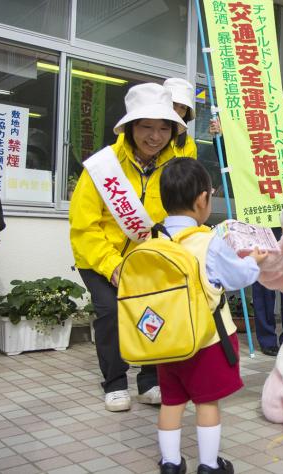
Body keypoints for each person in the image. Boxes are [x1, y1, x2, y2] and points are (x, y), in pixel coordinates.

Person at [69, 83, 189, 412]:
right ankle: (115, 381)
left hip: (147, 258)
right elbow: (84, 225)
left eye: (164, 128)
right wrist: (111, 265)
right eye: (146, 127)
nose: (155, 136)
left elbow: (180, 217)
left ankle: (150, 379)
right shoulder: (102, 166)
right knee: (110, 312)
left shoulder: (174, 168)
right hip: (98, 256)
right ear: (130, 127)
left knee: (154, 311)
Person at [156, 158, 265, 474]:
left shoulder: (154, 240)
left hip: (166, 340)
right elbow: (238, 278)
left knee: (171, 402)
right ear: (203, 199)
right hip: (207, 339)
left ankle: (171, 464)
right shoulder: (209, 242)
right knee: (206, 403)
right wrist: (254, 260)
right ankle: (208, 465)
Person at [207, 93, 283, 356]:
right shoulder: (264, 144)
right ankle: (267, 339)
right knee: (264, 282)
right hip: (263, 222)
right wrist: (220, 138)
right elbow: (233, 161)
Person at [163, 78, 198, 158]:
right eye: (173, 104)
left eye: (183, 107)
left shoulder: (189, 144)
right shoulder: (140, 130)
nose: (177, 111)